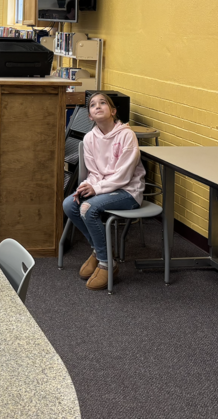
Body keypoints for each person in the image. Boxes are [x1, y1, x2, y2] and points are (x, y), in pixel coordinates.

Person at [61, 92, 147, 291]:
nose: (97, 106)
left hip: (127, 191)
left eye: (103, 103)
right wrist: (86, 187)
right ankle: (99, 250)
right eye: (92, 105)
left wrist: (96, 189)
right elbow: (94, 172)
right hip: (103, 190)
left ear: (113, 111)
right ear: (89, 116)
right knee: (69, 205)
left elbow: (123, 176)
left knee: (88, 209)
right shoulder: (90, 138)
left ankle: (107, 263)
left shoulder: (127, 135)